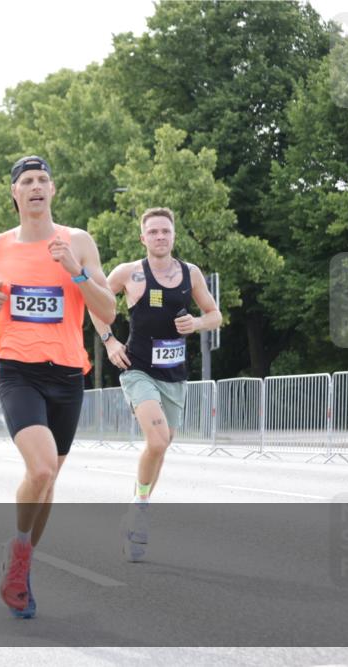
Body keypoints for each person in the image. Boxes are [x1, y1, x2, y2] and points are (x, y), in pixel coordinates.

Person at [0, 156, 116, 618]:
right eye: (26, 181)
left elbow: (106, 310)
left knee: (49, 484)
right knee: (43, 469)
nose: (34, 187)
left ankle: (20, 564)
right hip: (16, 370)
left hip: (68, 371)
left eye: (42, 180)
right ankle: (21, 551)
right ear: (14, 193)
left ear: (53, 190)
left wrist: (76, 270)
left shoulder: (78, 241)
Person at [90, 206, 222, 562]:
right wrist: (110, 341)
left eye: (166, 231)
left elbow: (215, 315)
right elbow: (94, 300)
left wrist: (196, 324)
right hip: (138, 369)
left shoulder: (191, 274)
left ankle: (138, 506)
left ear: (173, 235)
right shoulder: (129, 273)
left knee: (162, 447)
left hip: (175, 375)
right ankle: (140, 511)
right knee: (158, 439)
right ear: (143, 238)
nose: (160, 237)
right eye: (154, 232)